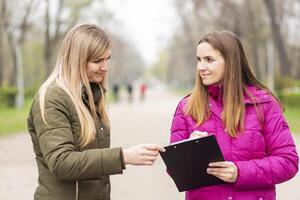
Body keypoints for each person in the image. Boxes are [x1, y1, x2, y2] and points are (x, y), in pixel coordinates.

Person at [27, 24, 165, 200]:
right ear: (77, 59)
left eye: (107, 59)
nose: (105, 67)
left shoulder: (91, 95)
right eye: (98, 61)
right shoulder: (52, 98)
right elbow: (61, 162)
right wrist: (123, 156)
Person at [170, 31, 299, 200]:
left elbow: (288, 162)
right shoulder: (186, 107)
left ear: (231, 62)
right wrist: (188, 150)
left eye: (209, 60)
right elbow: (175, 171)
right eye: (198, 60)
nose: (201, 67)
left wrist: (239, 172)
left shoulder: (264, 104)